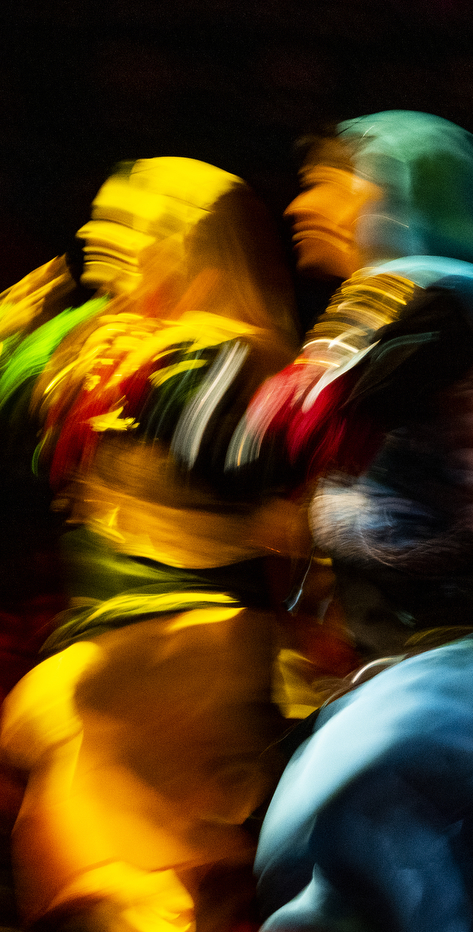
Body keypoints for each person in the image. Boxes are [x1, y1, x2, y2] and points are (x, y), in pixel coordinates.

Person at [245, 111, 473, 932]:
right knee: (441, 883)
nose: (301, 202)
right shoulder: (403, 300)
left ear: (390, 190)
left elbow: (286, 431)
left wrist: (150, 378)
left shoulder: (430, 290)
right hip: (435, 651)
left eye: (326, 180)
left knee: (317, 828)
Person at [0, 157, 302, 932]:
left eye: (129, 222)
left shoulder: (225, 350)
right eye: (99, 216)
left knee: (126, 851)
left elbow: (224, 457)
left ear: (188, 242)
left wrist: (71, 363)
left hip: (187, 634)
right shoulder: (108, 338)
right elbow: (28, 415)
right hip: (113, 638)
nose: (100, 235)